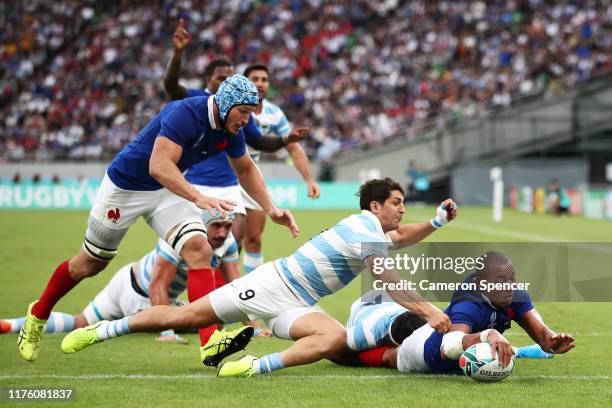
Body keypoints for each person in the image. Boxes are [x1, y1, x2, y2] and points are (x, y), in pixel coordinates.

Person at [18, 74, 298, 362]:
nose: (247, 120)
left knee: (199, 249)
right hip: (126, 187)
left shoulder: (233, 129)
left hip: (167, 190)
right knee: (89, 264)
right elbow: (159, 165)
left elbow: (246, 170)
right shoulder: (186, 113)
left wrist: (271, 208)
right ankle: (37, 316)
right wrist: (198, 197)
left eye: (250, 114)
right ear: (226, 104)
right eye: (244, 112)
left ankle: (210, 339)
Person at [61, 178, 455, 377]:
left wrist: (437, 221)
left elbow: (401, 236)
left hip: (298, 302)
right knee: (184, 317)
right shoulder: (364, 228)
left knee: (336, 340)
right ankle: (100, 331)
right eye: (397, 203)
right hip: (270, 286)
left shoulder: (371, 227)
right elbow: (387, 276)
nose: (402, 210)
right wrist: (428, 312)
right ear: (376, 205)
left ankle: (250, 367)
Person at [163, 20, 318, 272]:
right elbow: (171, 87)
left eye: (230, 77)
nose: (226, 81)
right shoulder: (195, 101)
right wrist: (178, 53)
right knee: (195, 254)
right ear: (208, 79)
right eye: (221, 77)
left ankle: (232, 303)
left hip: (232, 186)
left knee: (232, 248)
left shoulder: (241, 114)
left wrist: (286, 140)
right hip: (198, 185)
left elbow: (257, 141)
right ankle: (189, 302)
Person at [3, 212, 274, 343]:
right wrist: (166, 331)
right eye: (217, 225)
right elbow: (158, 285)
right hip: (142, 294)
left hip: (128, 276)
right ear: (202, 222)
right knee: (207, 319)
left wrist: (253, 324)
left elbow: (236, 285)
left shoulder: (225, 245)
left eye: (228, 226)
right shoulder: (181, 238)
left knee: (80, 321)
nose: (224, 232)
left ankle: (9, 325)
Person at [353, 252, 575, 374]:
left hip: (467, 349)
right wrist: (487, 334)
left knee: (493, 348)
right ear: (481, 282)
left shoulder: (515, 295)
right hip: (427, 353)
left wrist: (551, 342)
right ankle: (348, 353)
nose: (509, 286)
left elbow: (544, 336)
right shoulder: (468, 303)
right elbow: (448, 346)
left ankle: (524, 351)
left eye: (511, 279)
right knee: (391, 357)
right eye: (500, 281)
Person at [241, 63, 320, 273]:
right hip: (225, 175)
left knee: (254, 239)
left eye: (264, 80)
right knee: (228, 241)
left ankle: (251, 293)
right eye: (254, 79)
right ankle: (217, 296)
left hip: (251, 177)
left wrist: (309, 180)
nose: (259, 83)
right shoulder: (235, 106)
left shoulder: (274, 114)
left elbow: (293, 147)